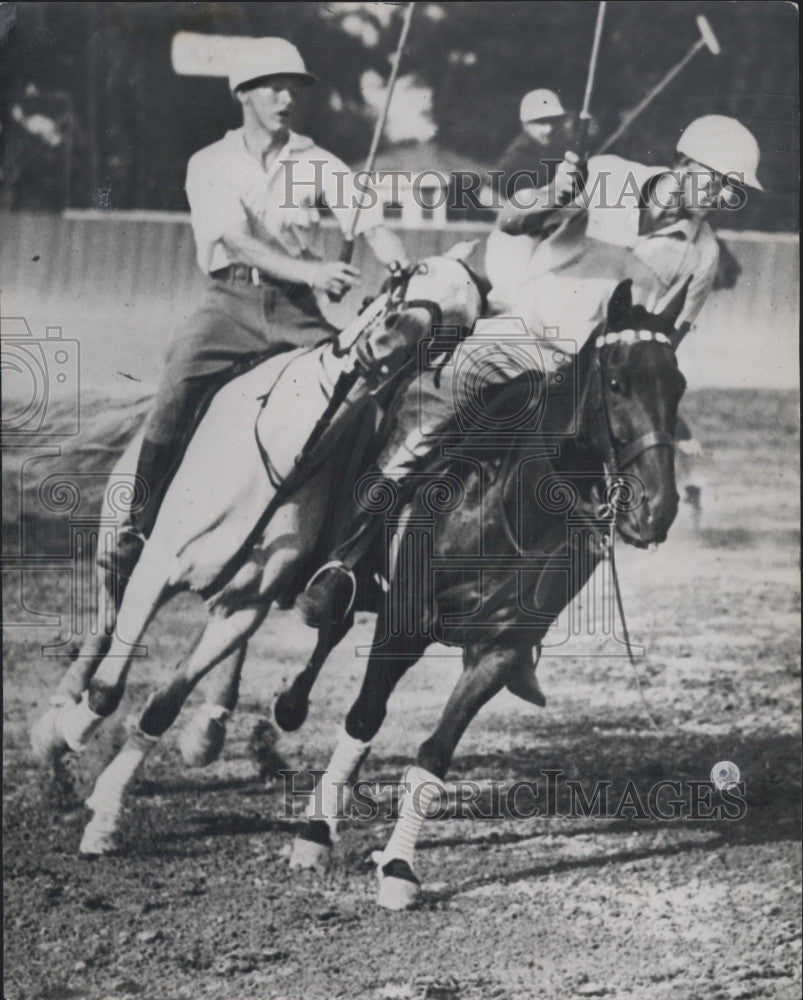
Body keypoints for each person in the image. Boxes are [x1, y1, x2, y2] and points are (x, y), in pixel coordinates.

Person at [299, 115, 763, 626]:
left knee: (592, 508)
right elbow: (512, 220)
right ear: (683, 162)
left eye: (731, 189)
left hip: (587, 383)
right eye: (718, 180)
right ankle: (345, 559)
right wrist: (554, 193)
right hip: (521, 337)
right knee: (423, 410)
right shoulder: (610, 176)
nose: (722, 196)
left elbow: (665, 343)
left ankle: (522, 633)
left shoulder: (702, 253)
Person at [101, 37, 408, 582]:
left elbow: (370, 223)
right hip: (230, 303)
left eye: (294, 88)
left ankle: (346, 549)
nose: (286, 98)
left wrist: (401, 267)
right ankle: (136, 525)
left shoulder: (318, 162)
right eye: (274, 86)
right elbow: (237, 241)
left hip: (296, 312)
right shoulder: (211, 163)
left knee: (363, 401)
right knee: (177, 381)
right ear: (244, 92)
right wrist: (315, 271)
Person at [484, 88, 571, 311]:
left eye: (554, 122)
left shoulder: (556, 151)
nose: (549, 129)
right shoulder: (519, 155)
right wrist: (519, 216)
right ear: (525, 124)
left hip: (545, 241)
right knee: (514, 304)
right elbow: (486, 195)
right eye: (540, 122)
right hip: (514, 243)